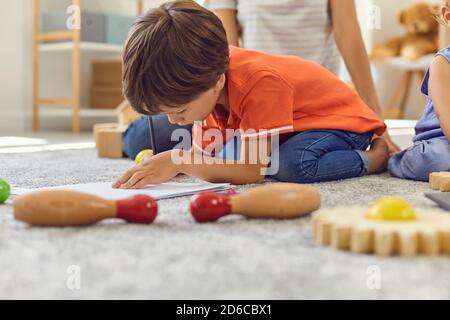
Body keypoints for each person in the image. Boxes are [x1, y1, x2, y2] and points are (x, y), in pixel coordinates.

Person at [113, 0, 389, 188]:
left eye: (180, 111)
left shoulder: (258, 83)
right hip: (291, 124)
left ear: (217, 84)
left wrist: (177, 160)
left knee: (290, 166)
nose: (174, 121)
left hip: (339, 123)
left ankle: (373, 159)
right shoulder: (203, 81)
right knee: (226, 155)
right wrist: (166, 164)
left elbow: (250, 172)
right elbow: (202, 153)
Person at [388, 1, 450, 181]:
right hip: (440, 138)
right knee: (439, 158)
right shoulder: (443, 63)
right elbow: (445, 115)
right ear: (448, 16)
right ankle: (399, 160)